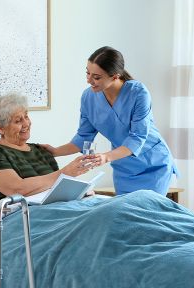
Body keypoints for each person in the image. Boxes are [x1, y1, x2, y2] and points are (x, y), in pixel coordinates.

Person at [43, 46, 178, 196]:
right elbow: (83, 138)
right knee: (125, 215)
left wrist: (106, 157)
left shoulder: (138, 93)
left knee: (148, 213)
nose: (89, 80)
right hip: (124, 168)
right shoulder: (88, 98)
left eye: (97, 77)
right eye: (87, 73)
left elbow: (137, 138)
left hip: (154, 165)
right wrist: (55, 151)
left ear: (115, 76)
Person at [0, 92, 92, 205]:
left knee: (106, 207)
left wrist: (79, 192)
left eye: (26, 116)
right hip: (17, 216)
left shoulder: (40, 151)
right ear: (0, 128)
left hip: (53, 209)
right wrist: (65, 173)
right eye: (18, 121)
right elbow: (17, 189)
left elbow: (55, 189)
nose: (26, 124)